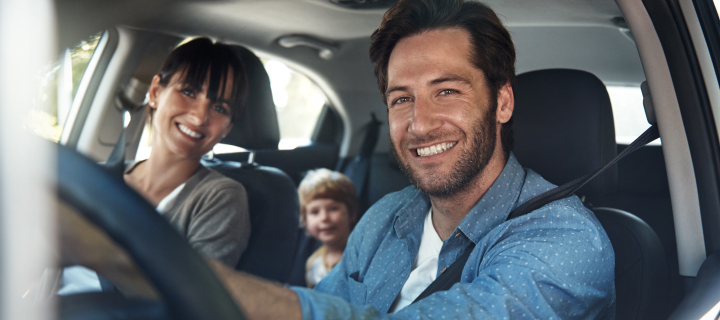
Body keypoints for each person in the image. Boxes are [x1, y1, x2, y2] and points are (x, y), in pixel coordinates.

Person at [61, 0, 616, 318]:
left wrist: (133, 259)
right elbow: (318, 304)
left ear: (502, 101)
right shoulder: (385, 218)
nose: (419, 123)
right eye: (402, 99)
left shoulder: (565, 242)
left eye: (447, 91)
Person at [59, 38, 251, 295]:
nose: (199, 116)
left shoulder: (220, 197)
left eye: (218, 107)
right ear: (155, 93)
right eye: (189, 92)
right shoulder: (101, 178)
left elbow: (194, 299)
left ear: (227, 127)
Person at [297, 169, 359, 288]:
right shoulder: (314, 263)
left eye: (333, 209)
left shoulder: (361, 255)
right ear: (305, 221)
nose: (324, 218)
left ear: (352, 213)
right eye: (315, 212)